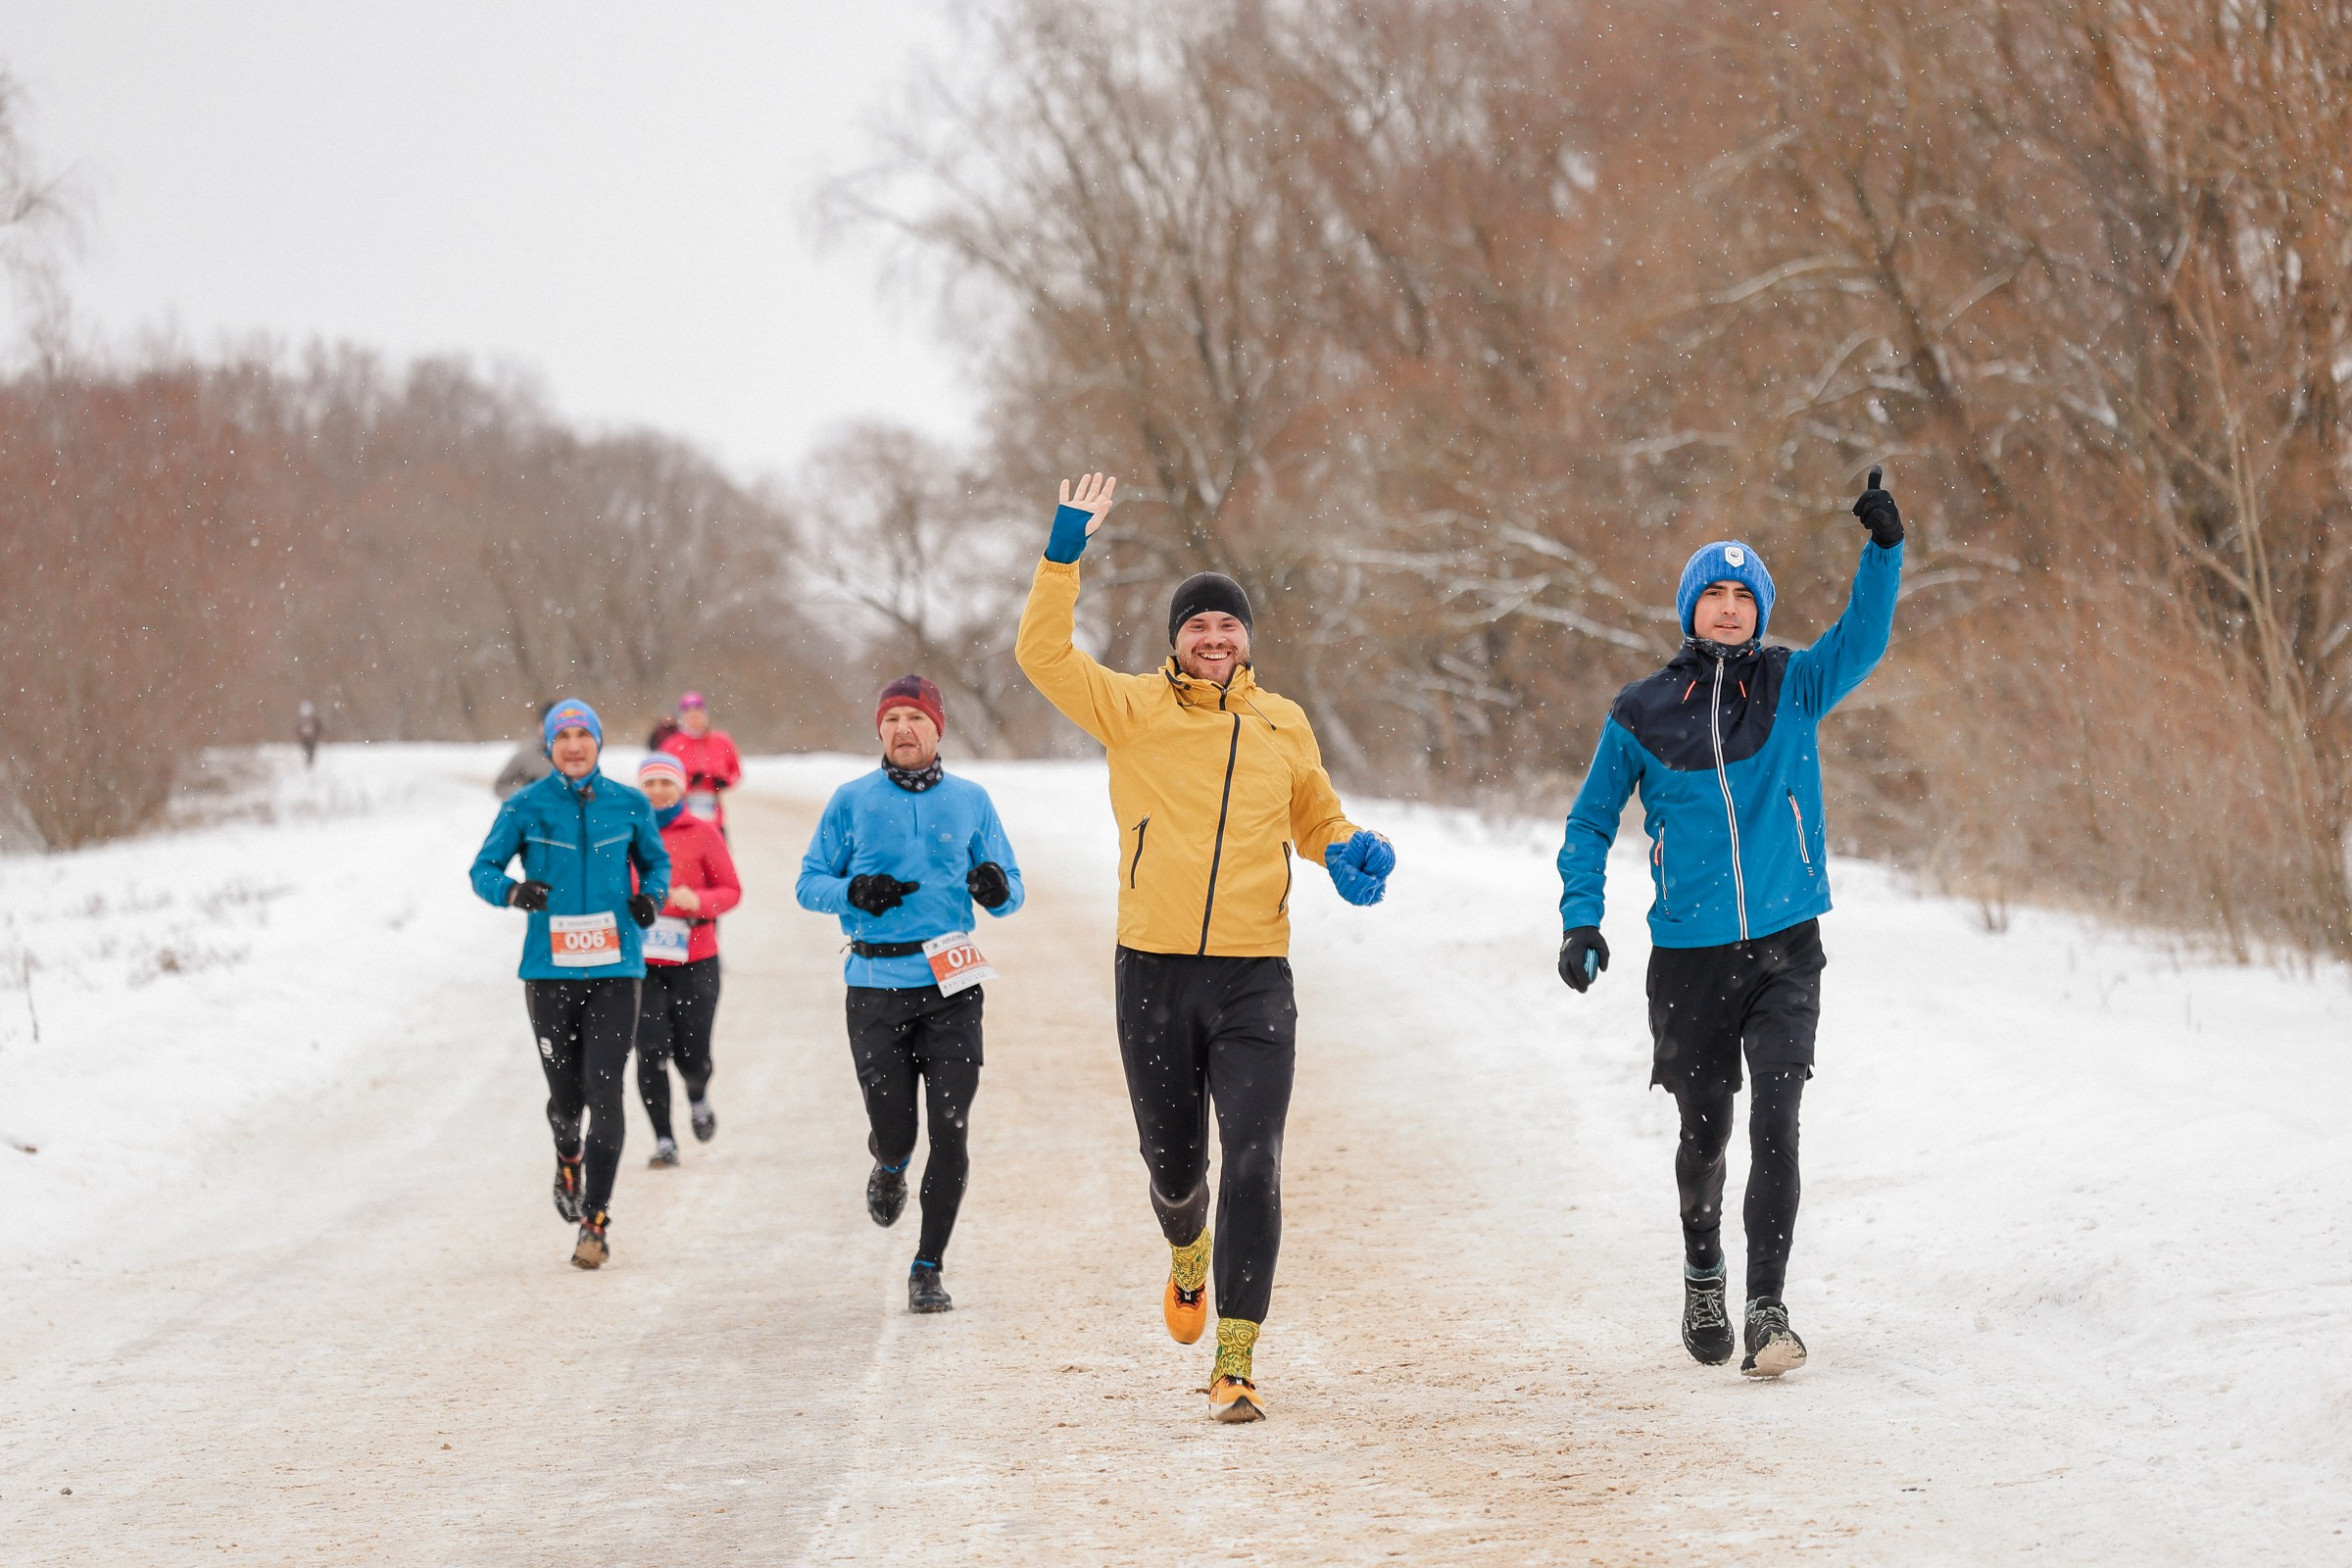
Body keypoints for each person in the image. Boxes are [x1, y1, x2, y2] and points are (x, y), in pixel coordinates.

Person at [1014, 473, 1396, 1424]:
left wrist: (1348, 849)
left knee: (1257, 1157)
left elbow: (1314, 814)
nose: (1215, 639)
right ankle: (1185, 1244)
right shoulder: (1132, 710)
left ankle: (1236, 1358)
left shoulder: (1282, 722)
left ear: (1247, 640)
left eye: (1229, 626)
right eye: (1199, 627)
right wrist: (1065, 548)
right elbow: (1042, 653)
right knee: (1178, 1167)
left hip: (1253, 975)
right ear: (1176, 639)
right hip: (1151, 971)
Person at [1553, 469, 1905, 1379]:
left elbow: (1863, 639)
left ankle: (1766, 1309)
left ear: (1760, 611)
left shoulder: (1793, 686)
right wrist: (1581, 920)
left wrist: (1884, 552)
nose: (1729, 607)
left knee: (1778, 1124)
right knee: (1705, 1135)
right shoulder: (1639, 712)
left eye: (1744, 596)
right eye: (1713, 593)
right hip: (1690, 960)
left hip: (1788, 946)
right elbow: (1592, 821)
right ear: (1688, 609)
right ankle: (1704, 1266)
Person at [795, 675, 1024, 1315]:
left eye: (915, 718)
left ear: (937, 729)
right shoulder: (851, 801)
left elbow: (1013, 890)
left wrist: (993, 887)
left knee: (951, 1132)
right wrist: (852, 892)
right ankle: (890, 1162)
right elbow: (808, 882)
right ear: (879, 730)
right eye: (892, 718)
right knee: (897, 1130)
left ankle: (928, 1267)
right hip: (874, 987)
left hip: (953, 985)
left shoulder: (972, 800)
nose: (903, 729)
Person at [468, 698, 669, 1269]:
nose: (575, 745)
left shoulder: (629, 804)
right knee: (567, 1100)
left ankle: (595, 1221)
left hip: (615, 969)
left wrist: (650, 899)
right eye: (564, 736)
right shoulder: (525, 806)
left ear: (599, 744)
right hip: (549, 973)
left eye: (585, 735)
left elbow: (656, 865)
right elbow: (482, 870)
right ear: (550, 746)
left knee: (607, 1091)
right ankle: (567, 1154)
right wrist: (513, 892)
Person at [631, 752, 741, 1166]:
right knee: (651, 1051)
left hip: (695, 960)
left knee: (693, 1056)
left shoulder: (703, 832)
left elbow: (731, 890)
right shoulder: (626, 832)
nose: (658, 792)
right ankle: (664, 1139)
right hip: (641, 964)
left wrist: (699, 901)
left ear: (680, 788)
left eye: (666, 783)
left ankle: (697, 1093)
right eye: (650, 784)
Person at [659, 692, 743, 831]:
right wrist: (687, 783)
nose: (694, 720)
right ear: (682, 718)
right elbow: (662, 777)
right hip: (681, 815)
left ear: (705, 716)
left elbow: (736, 771)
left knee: (718, 851)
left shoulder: (722, 741)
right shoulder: (672, 745)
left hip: (714, 814)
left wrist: (724, 781)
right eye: (690, 716)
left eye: (698, 715)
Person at [494, 702, 557, 799]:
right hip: (535, 812)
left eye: (554, 723)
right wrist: (524, 796)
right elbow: (501, 785)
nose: (550, 728)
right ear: (539, 726)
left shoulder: (576, 754)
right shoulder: (526, 755)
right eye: (546, 723)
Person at [295, 701, 323, 768]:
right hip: (305, 739)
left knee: (311, 751)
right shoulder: (301, 721)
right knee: (305, 751)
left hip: (312, 740)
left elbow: (319, 728)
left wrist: (317, 736)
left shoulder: (314, 720)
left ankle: (310, 764)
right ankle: (307, 764)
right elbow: (297, 729)